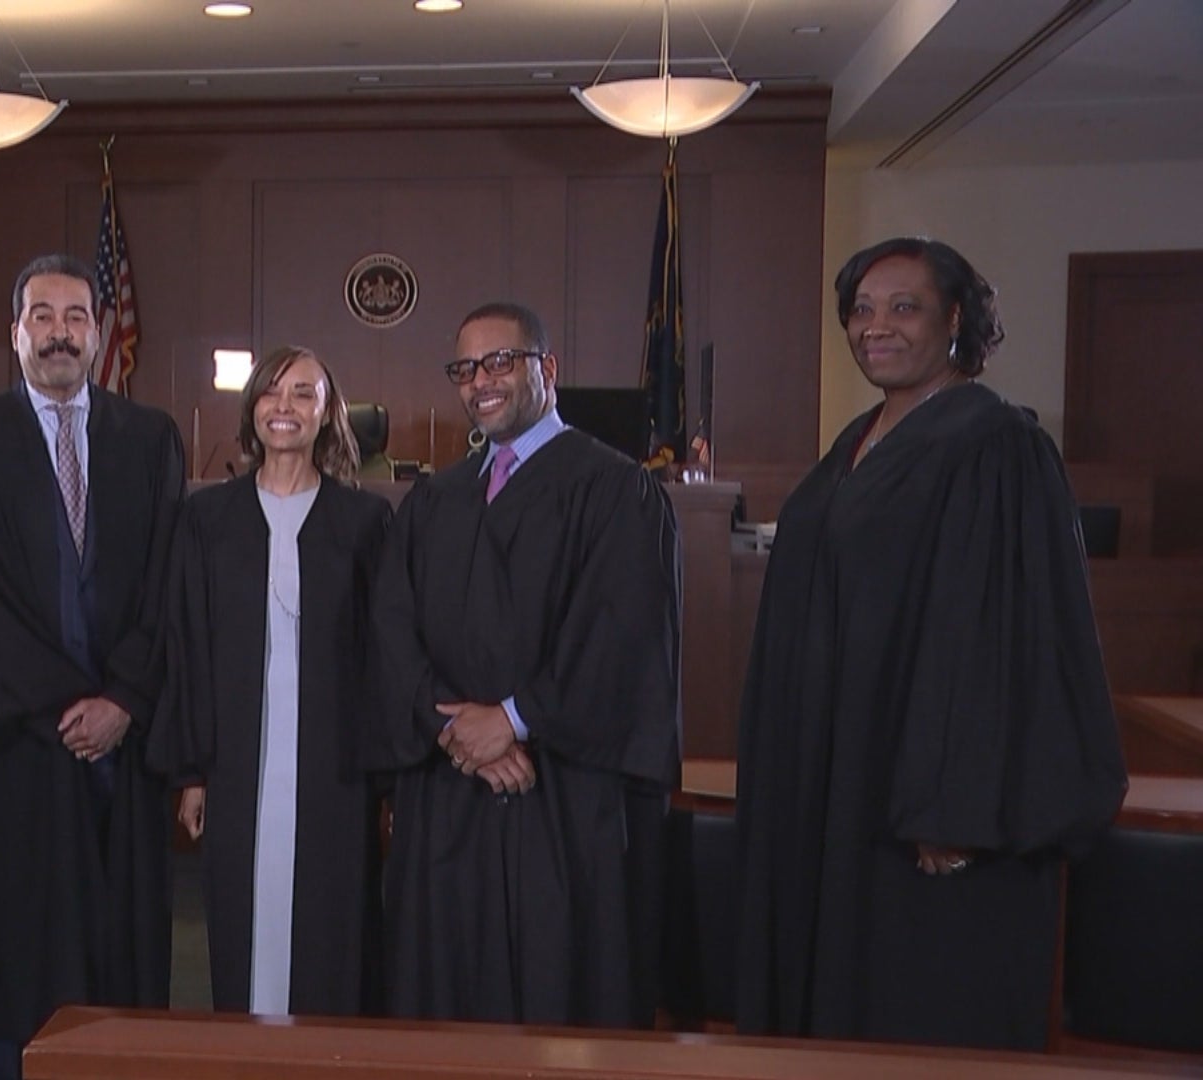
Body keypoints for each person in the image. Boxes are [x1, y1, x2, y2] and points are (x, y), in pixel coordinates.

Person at [734, 237, 1127, 1051]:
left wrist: (955, 804)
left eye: (903, 307)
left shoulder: (996, 446)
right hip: (840, 783)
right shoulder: (861, 438)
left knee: (916, 1011)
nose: (876, 327)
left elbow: (999, 638)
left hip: (930, 807)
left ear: (956, 320)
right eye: (862, 309)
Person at [366, 301, 682, 1027]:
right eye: (466, 368)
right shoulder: (435, 500)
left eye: (501, 361)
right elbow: (392, 628)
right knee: (443, 989)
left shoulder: (615, 489)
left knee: (559, 988)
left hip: (563, 795)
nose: (482, 380)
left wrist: (513, 719)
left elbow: (624, 634)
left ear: (548, 369)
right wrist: (454, 732)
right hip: (450, 794)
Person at [0, 254, 185, 1080]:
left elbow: (166, 586)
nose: (61, 332)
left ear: (99, 333)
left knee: (124, 942)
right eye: (43, 315)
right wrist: (61, 711)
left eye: (76, 316)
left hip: (127, 743)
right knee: (25, 951)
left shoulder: (148, 438)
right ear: (15, 334)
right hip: (23, 747)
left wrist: (125, 700)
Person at [150, 346, 391, 1017]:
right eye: (272, 393)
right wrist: (192, 771)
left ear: (328, 414)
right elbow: (187, 646)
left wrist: (383, 777)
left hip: (334, 763)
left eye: (303, 394)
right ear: (252, 410)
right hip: (236, 758)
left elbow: (384, 657)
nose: (284, 407)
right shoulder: (207, 519)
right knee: (242, 914)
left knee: (330, 915)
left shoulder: (365, 523)